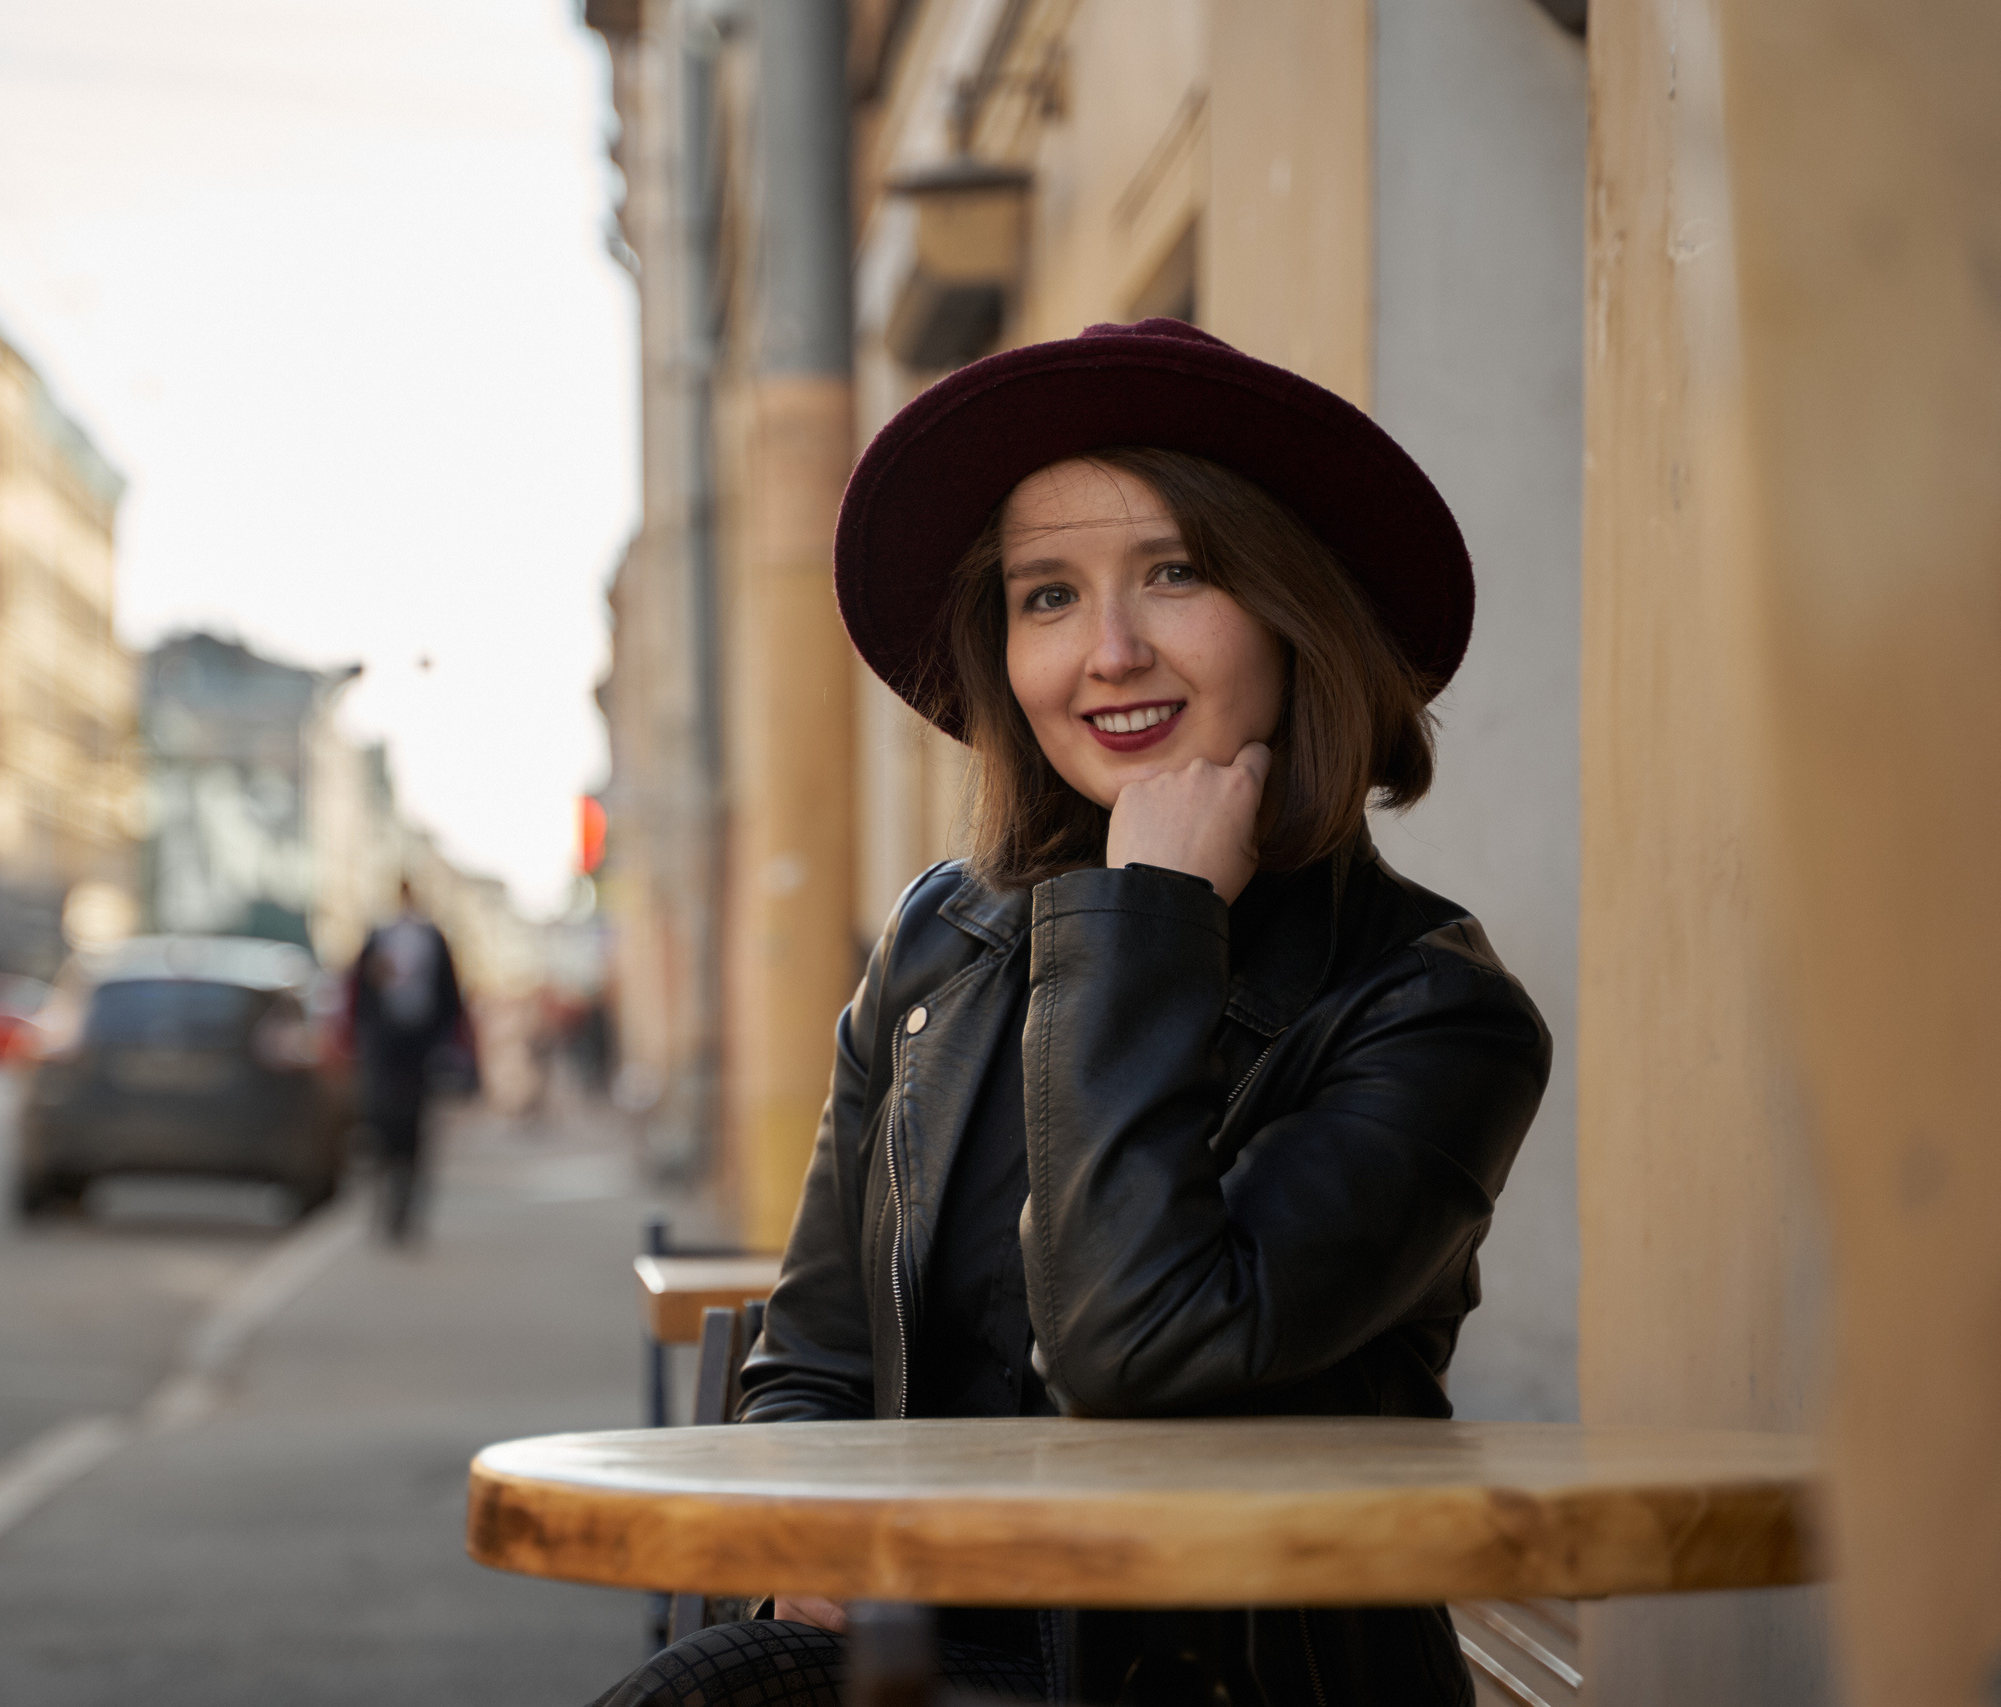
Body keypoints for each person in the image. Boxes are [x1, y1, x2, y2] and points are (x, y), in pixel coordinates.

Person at [585, 318, 1551, 1707]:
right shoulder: (942, 940)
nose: (1107, 649)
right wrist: (798, 1536)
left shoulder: (1432, 1012)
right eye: (1047, 595)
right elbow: (813, 1361)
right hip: (920, 1657)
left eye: (1177, 572)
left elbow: (1140, 1350)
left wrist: (1146, 922)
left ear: (1296, 610)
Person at [347, 879, 465, 1245]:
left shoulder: (430, 940)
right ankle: (387, 1209)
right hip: (387, 1050)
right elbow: (359, 992)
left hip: (418, 1051)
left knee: (412, 1134)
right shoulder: (379, 938)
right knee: (383, 1131)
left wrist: (442, 1043)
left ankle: (406, 1210)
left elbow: (450, 998)